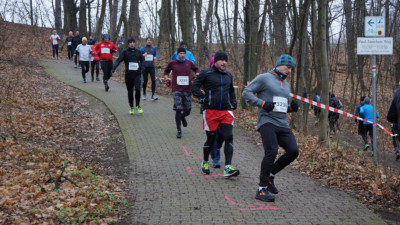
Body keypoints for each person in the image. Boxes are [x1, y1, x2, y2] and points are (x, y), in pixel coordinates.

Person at [242, 54, 299, 202]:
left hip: (282, 123)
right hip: (267, 121)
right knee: (271, 151)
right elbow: (246, 92)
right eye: (288, 67)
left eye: (291, 68)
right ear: (279, 65)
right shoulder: (264, 78)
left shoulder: (285, 84)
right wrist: (261, 104)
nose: (290, 71)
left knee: (293, 151)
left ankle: (270, 175)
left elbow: (280, 106)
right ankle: (261, 190)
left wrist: (291, 108)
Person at [191, 50, 239, 177]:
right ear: (216, 61)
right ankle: (205, 161)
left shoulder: (228, 75)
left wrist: (233, 101)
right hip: (210, 111)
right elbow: (194, 87)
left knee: (229, 137)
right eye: (222, 60)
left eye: (226, 60)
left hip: (225, 111)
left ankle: (228, 167)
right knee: (211, 140)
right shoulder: (206, 73)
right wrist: (201, 98)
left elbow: (231, 90)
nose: (224, 63)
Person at [164, 47, 200, 138]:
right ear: (177, 54)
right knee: (178, 109)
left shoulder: (188, 62)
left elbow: (197, 69)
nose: (182, 55)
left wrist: (197, 75)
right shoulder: (172, 63)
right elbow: (166, 71)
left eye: (183, 53)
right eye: (180, 53)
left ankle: (183, 117)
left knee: (187, 110)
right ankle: (179, 130)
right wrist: (166, 79)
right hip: (176, 89)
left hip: (187, 89)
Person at [111, 38, 144, 114]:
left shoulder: (138, 52)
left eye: (133, 42)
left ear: (134, 43)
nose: (132, 44)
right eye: (130, 42)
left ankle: (138, 105)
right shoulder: (125, 52)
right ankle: (131, 107)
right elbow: (119, 60)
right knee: (130, 91)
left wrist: (142, 67)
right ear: (128, 43)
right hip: (128, 75)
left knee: (138, 89)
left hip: (137, 74)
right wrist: (113, 68)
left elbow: (142, 61)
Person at [388, 87, 400, 160]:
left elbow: (390, 116)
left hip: (395, 125)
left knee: (395, 139)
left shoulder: (397, 95)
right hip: (396, 125)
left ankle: (397, 151)